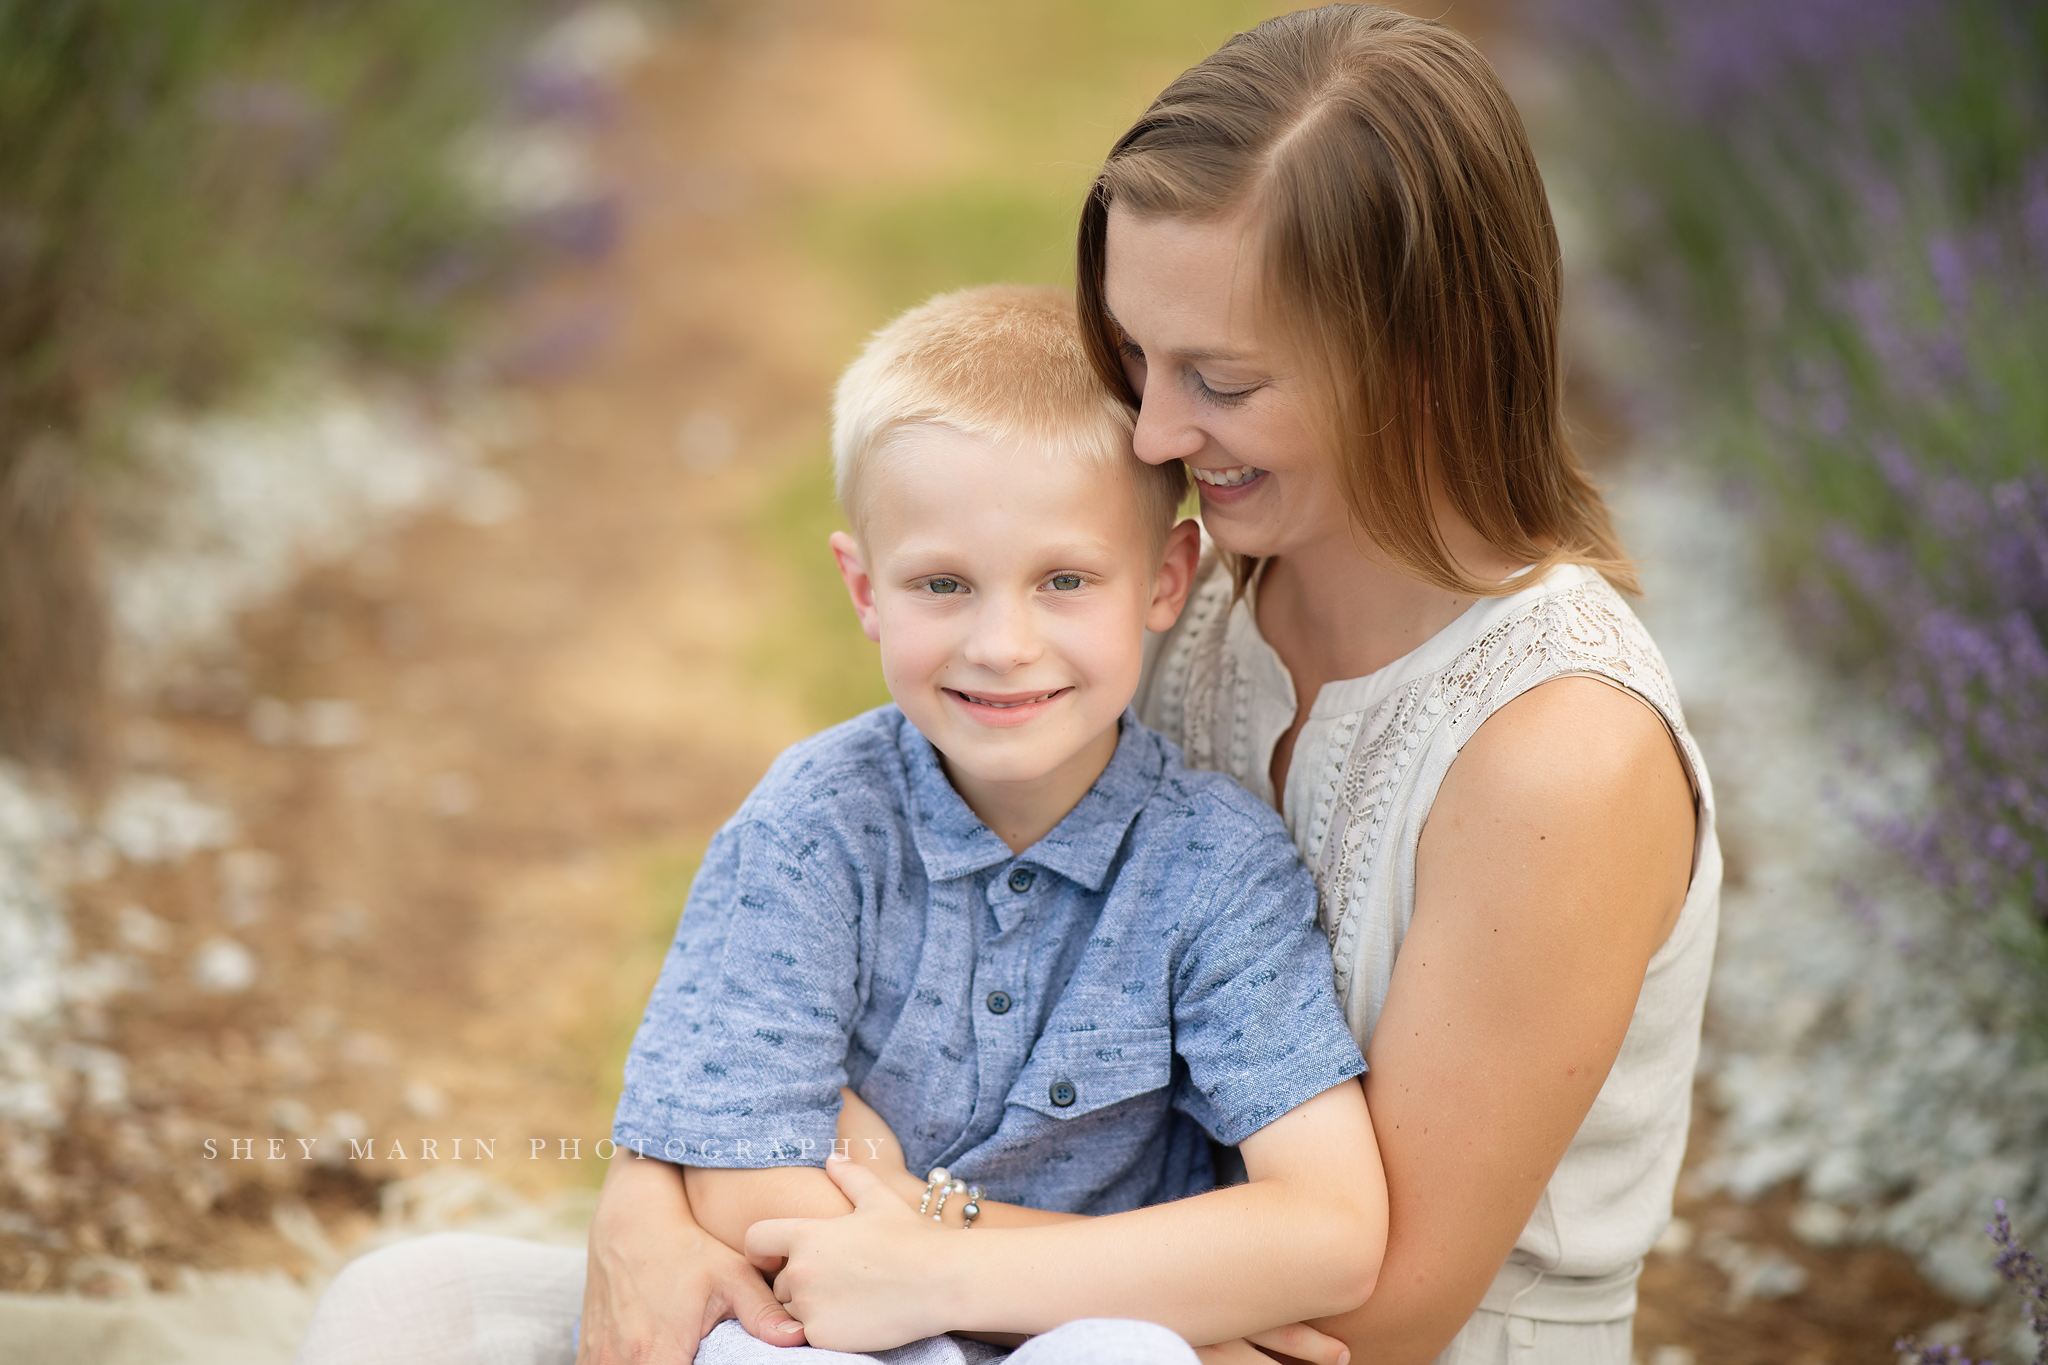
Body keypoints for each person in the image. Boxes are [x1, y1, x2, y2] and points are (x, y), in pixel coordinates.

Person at [299, 9, 1717, 1365]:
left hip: (1287, 1344)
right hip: (1015, 1290)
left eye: (1220, 379)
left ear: (1415, 365)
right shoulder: (1180, 595)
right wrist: (653, 1203)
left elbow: (1377, 1312)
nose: (1157, 428)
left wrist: (938, 1252)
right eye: (1136, 357)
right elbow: (764, 1004)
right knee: (408, 1313)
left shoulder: (1560, 753)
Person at [294, 284, 1388, 1365]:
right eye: (942, 584)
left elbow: (1328, 1232)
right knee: (397, 1307)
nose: (1002, 643)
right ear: (864, 591)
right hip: (819, 1327)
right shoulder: (816, 824)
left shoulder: (1213, 864)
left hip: (1071, 1326)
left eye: (1062, 579)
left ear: (1164, 580)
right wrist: (919, 1254)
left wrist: (937, 1250)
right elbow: (735, 1168)